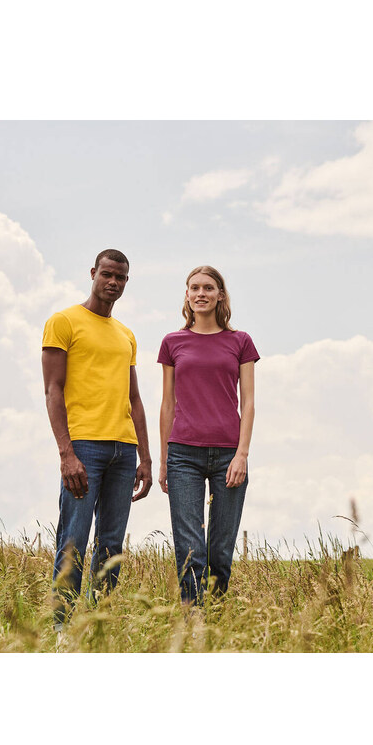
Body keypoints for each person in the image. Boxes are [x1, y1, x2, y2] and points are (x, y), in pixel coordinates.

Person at [42, 249, 152, 630]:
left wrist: (147, 458)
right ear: (93, 273)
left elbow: (134, 398)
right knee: (73, 538)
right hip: (84, 446)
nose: (113, 283)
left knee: (111, 545)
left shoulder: (126, 335)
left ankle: (98, 625)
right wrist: (66, 453)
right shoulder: (64, 321)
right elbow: (53, 390)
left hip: (124, 451)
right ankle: (61, 629)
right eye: (107, 274)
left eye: (120, 278)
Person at [157, 265, 259, 604]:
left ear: (220, 295)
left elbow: (249, 403)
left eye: (208, 288)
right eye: (194, 288)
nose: (201, 293)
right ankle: (193, 618)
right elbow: (167, 404)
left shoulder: (240, 342)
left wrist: (242, 455)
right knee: (190, 547)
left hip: (229, 454)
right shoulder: (172, 342)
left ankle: (216, 615)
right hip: (183, 454)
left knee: (220, 548)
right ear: (187, 295)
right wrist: (163, 460)